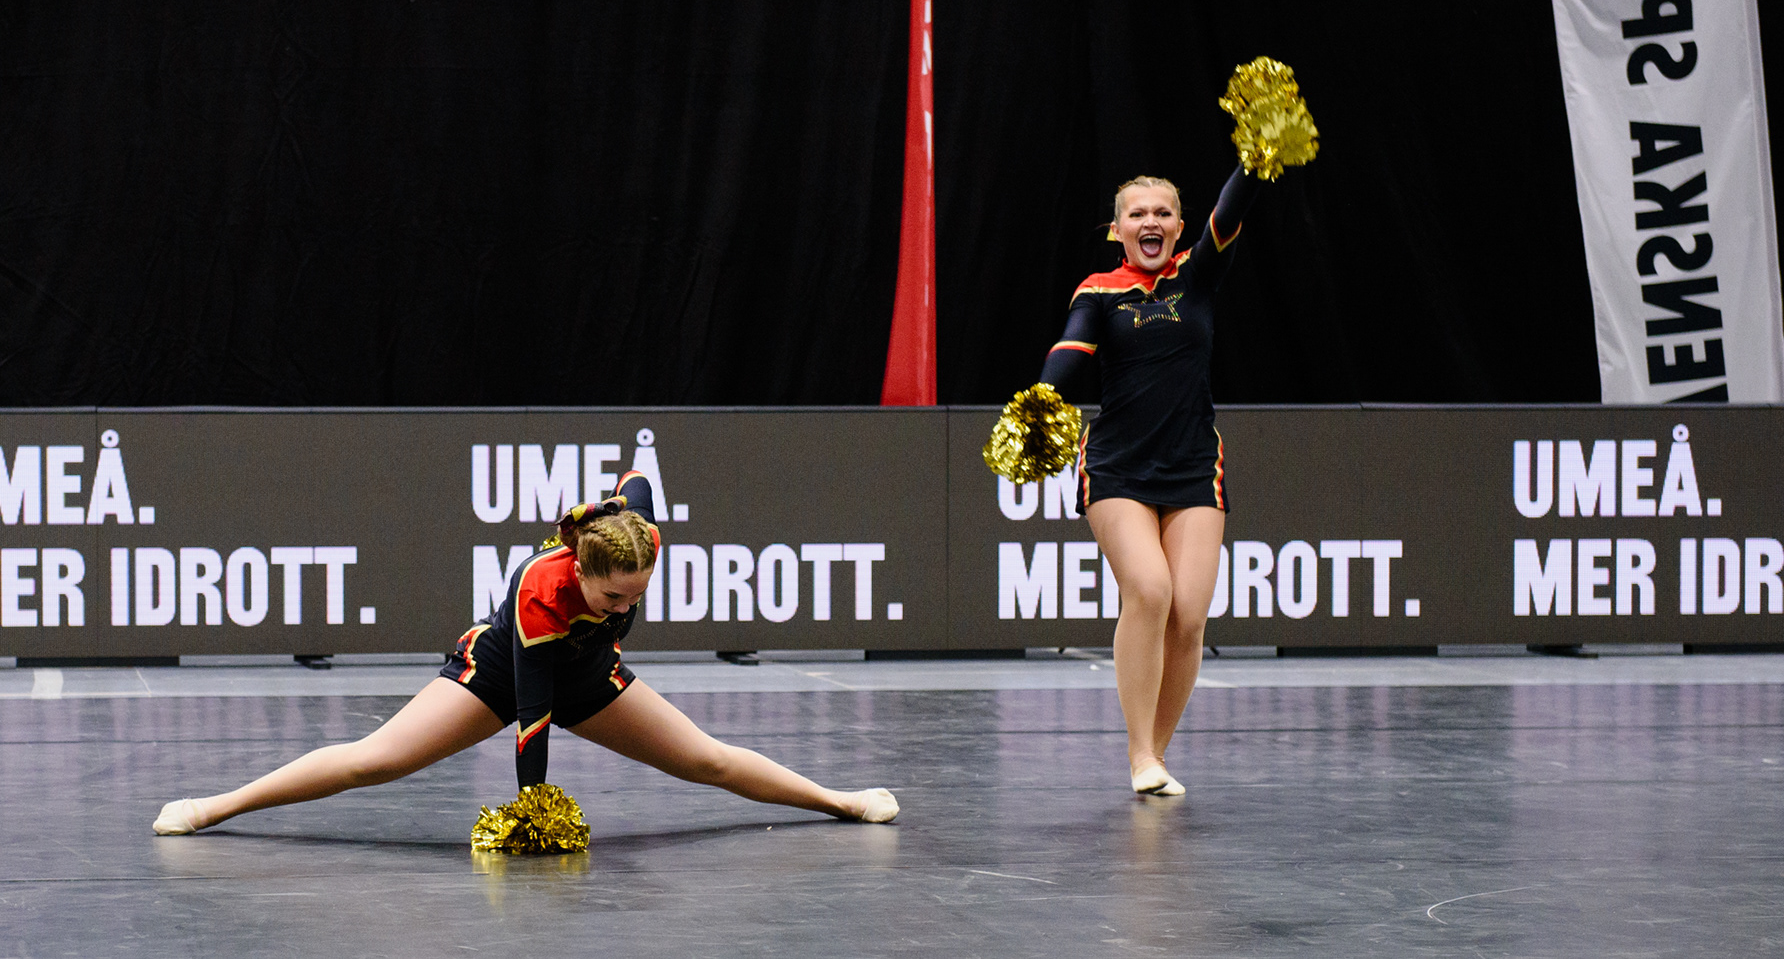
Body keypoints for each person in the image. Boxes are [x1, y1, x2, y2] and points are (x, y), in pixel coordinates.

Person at [153, 471, 897, 836]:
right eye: (614, 599)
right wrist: (532, 810)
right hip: (503, 674)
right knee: (371, 761)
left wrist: (621, 496)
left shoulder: (636, 539)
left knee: (709, 760)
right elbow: (532, 717)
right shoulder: (542, 591)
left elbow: (637, 483)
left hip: (589, 676)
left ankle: (840, 801)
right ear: (581, 573)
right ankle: (215, 808)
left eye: (638, 596)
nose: (627, 608)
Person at [1035, 166, 1260, 797]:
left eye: (1163, 213)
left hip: (1193, 467)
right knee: (1151, 590)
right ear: (1118, 230)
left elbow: (1229, 211)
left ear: (1180, 227)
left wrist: (1255, 160)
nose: (1151, 222)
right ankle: (1139, 755)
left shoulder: (1198, 273)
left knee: (1188, 618)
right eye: (1137, 214)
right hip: (1118, 468)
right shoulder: (1099, 291)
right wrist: (1043, 398)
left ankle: (1154, 757)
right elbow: (1072, 351)